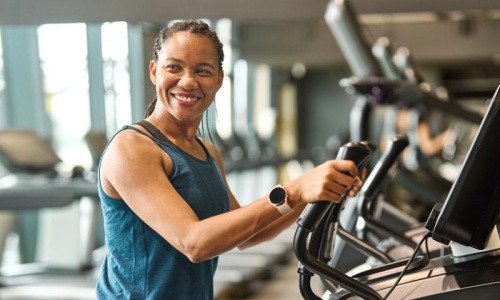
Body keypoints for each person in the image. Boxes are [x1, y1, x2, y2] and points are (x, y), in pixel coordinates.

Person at [96, 19, 363, 299]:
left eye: (202, 70)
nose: (187, 81)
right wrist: (294, 190)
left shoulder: (207, 152)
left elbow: (249, 234)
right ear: (154, 71)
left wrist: (315, 192)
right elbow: (193, 243)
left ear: (219, 80)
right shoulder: (132, 148)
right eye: (173, 67)